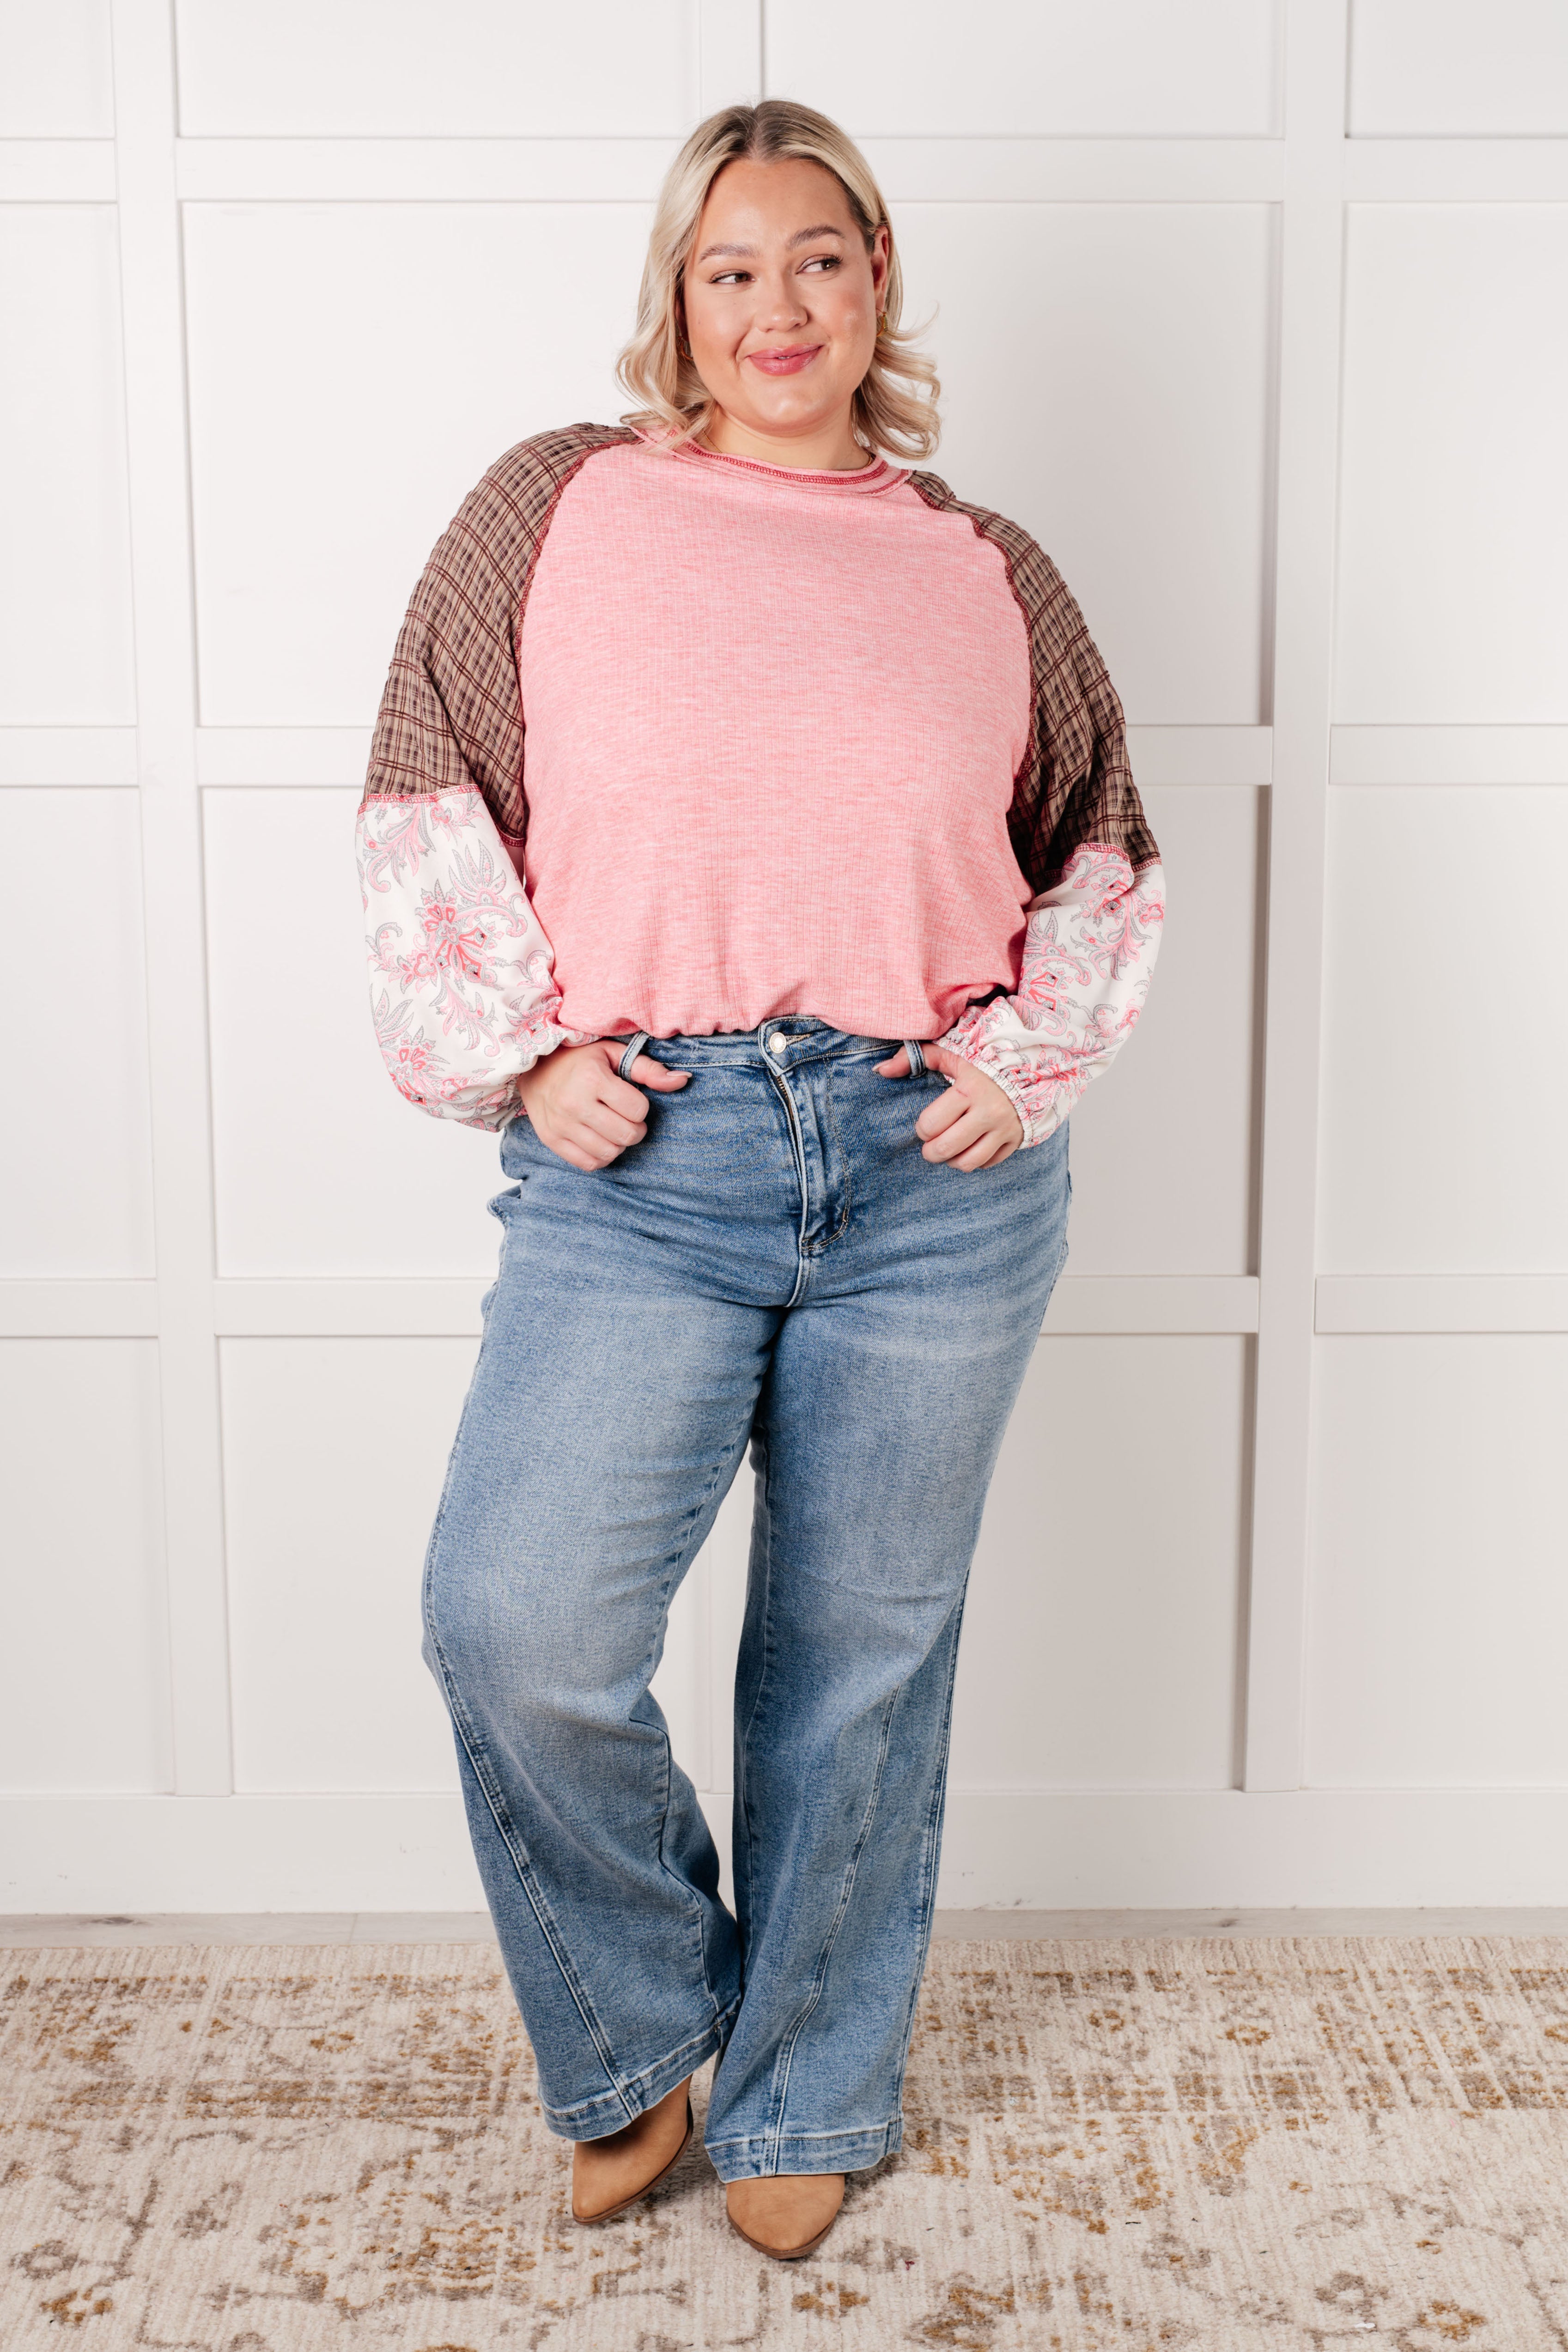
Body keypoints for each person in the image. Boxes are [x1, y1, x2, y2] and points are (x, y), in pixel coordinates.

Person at [355, 97, 1165, 2262]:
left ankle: (811, 2073)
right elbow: (426, 797)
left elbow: (1099, 852)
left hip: (934, 1168)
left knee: (861, 1652)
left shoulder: (987, 565)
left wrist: (1028, 1053)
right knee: (512, 1617)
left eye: (816, 258)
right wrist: (521, 1059)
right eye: (730, 269)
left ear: (877, 274)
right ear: (677, 299)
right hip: (652, 1150)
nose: (775, 306)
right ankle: (644, 2035)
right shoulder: (556, 507)